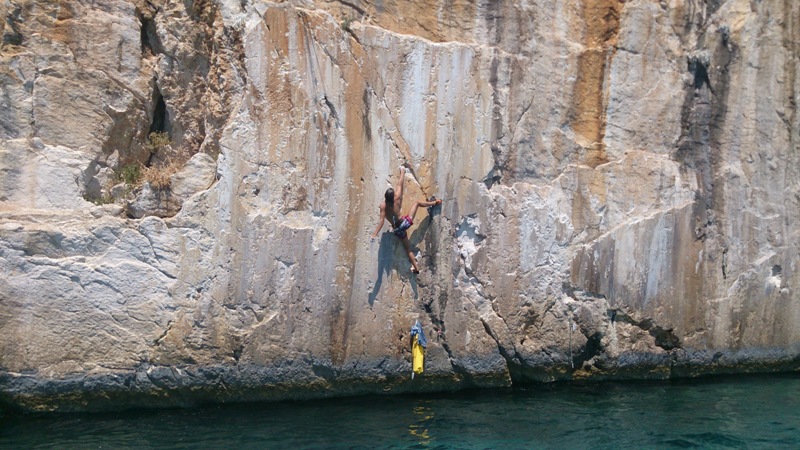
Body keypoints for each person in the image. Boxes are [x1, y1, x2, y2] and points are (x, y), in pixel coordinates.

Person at [371, 166, 442, 274]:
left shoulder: (383, 206)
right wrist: (403, 171)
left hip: (398, 230)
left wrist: (374, 234)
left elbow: (381, 221)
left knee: (408, 248)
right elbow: (400, 184)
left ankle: (416, 268)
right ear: (392, 196)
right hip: (405, 223)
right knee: (417, 203)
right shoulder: (397, 198)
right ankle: (434, 203)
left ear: (385, 197)